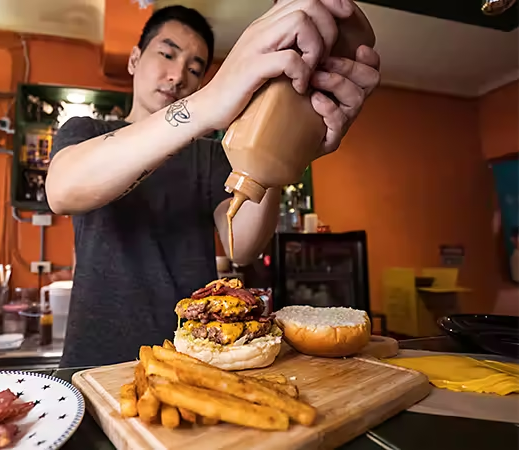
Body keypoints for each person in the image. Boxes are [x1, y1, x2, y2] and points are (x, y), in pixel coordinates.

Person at [47, 0, 381, 367]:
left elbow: (244, 247)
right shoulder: (86, 131)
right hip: (94, 365)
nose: (178, 76)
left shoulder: (211, 155)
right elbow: (62, 190)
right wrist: (205, 106)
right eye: (167, 54)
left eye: (195, 69)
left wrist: (286, 149)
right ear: (133, 59)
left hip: (195, 360)